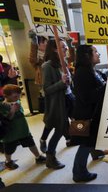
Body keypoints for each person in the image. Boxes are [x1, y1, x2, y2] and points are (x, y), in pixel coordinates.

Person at [71, 45, 108, 182]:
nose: (98, 54)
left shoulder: (89, 70)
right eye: (95, 52)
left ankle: (96, 153)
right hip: (86, 115)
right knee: (85, 144)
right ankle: (79, 172)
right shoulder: (83, 73)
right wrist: (107, 85)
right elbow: (87, 97)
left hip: (91, 114)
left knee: (91, 140)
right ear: (87, 55)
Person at [0, 84, 46, 170]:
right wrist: (12, 110)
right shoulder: (2, 106)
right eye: (15, 96)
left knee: (31, 143)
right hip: (10, 134)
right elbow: (6, 120)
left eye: (19, 95)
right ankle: (8, 161)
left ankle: (38, 157)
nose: (18, 97)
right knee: (9, 149)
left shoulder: (17, 102)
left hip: (23, 130)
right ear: (6, 96)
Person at [42, 38, 72, 169]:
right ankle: (50, 156)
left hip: (69, 98)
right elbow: (47, 89)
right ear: (55, 49)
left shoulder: (62, 62)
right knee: (60, 130)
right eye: (63, 47)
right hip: (58, 104)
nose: (66, 49)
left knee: (80, 124)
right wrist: (61, 82)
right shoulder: (47, 66)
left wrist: (69, 81)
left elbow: (68, 84)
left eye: (65, 46)